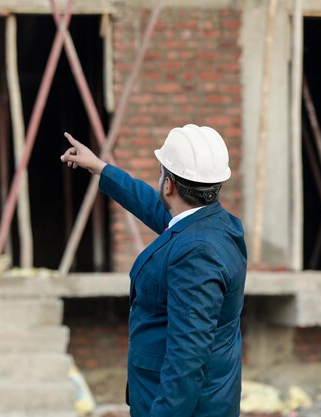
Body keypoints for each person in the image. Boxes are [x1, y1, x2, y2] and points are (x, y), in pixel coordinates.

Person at [60, 125, 247, 417]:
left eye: (161, 174)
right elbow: (153, 206)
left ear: (169, 185)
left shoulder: (197, 251)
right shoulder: (216, 225)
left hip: (179, 406)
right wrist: (100, 168)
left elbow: (187, 358)